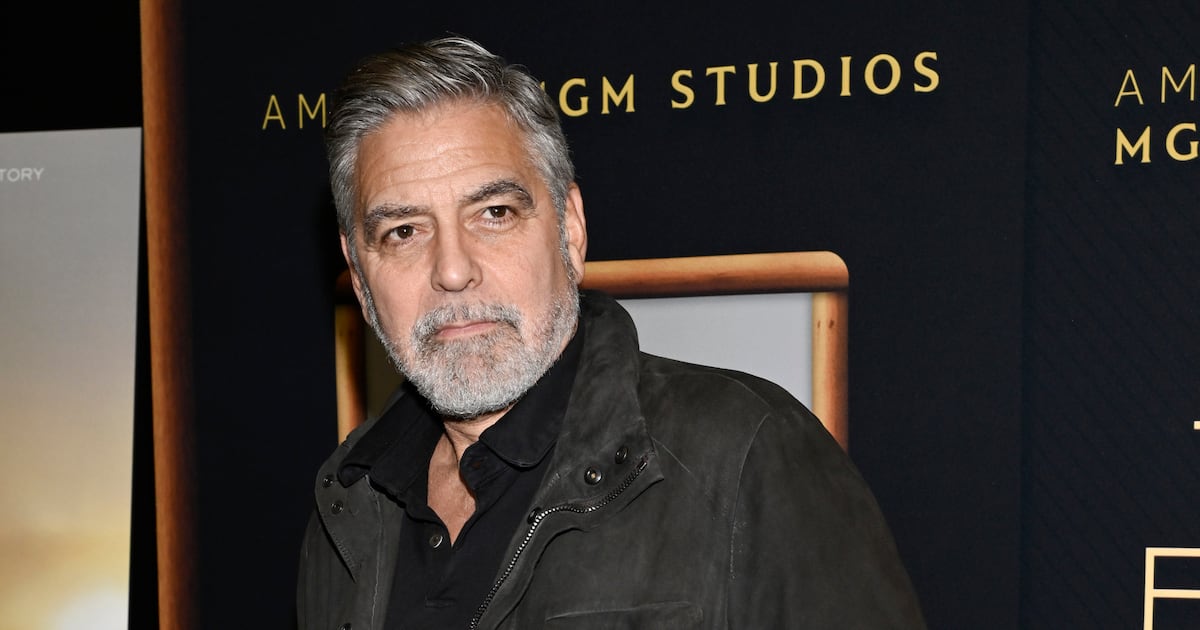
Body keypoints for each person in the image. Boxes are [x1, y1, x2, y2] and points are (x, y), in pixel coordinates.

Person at [297, 35, 926, 629]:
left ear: (569, 229)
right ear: (360, 275)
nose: (453, 271)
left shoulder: (747, 455)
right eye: (404, 232)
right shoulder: (349, 503)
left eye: (494, 213)